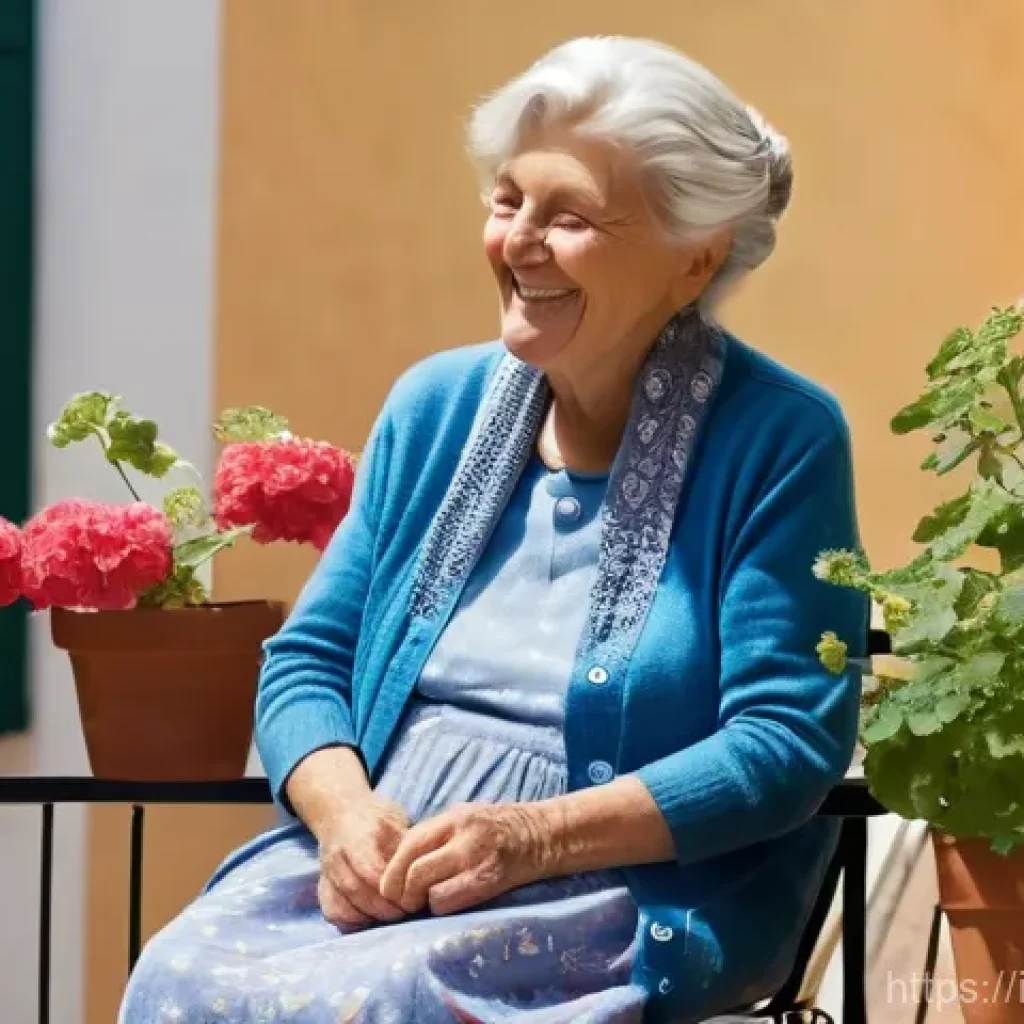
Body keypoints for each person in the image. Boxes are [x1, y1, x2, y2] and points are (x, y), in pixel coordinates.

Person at [121, 35, 868, 1024]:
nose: (518, 241)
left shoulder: (778, 436)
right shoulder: (433, 406)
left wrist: (532, 837)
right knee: (176, 976)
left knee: (388, 1005)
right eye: (508, 200)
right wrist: (343, 818)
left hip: (610, 891)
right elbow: (307, 661)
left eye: (567, 217)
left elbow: (785, 740)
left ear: (695, 256)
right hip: (376, 871)